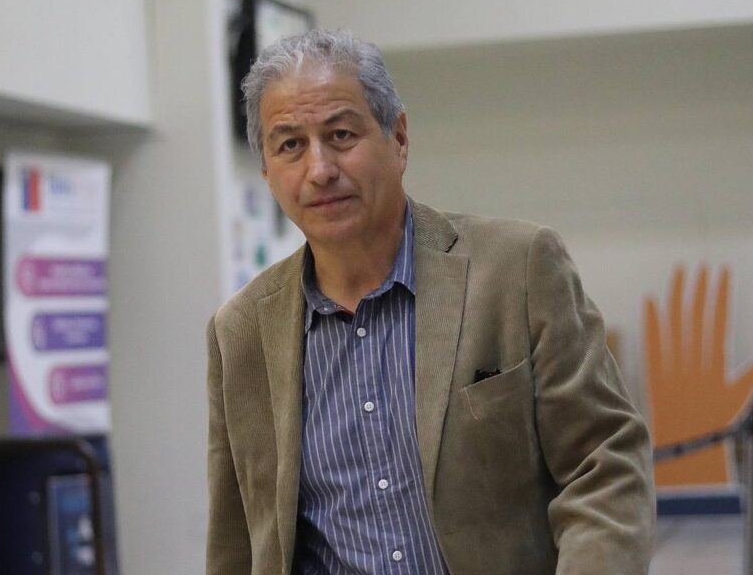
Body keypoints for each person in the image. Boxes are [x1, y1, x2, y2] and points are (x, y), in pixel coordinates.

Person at [206, 29, 655, 575]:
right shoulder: (241, 332)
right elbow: (235, 540)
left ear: (398, 139)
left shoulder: (517, 271)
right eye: (290, 146)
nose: (319, 169)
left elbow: (604, 465)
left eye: (341, 135)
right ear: (267, 173)